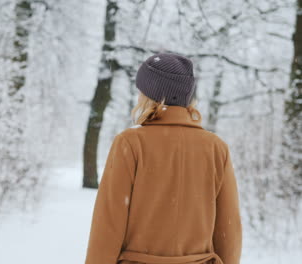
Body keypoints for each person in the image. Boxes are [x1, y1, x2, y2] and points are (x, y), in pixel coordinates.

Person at [84, 53, 242, 264]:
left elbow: (109, 225)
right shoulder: (216, 148)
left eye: (141, 90)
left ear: (151, 95)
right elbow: (228, 230)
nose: (138, 96)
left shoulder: (130, 143)